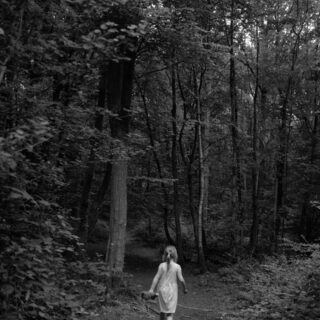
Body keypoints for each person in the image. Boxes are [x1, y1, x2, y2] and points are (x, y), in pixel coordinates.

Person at [148, 245, 188, 320]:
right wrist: (184, 289)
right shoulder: (177, 266)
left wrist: (151, 289)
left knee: (162, 311)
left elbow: (156, 277)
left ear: (165, 255)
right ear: (175, 255)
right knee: (170, 313)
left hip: (161, 290)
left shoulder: (161, 265)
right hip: (172, 291)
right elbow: (181, 279)